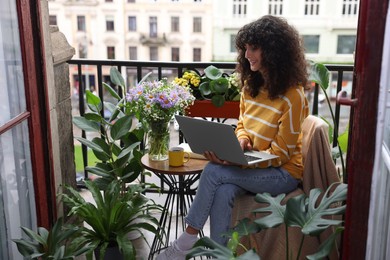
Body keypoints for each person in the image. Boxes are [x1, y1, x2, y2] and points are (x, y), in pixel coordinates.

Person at [156, 15, 309, 260]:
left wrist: (238, 162)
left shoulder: (293, 96)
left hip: (283, 174)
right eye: (245, 48)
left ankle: (185, 243)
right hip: (253, 161)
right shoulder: (251, 87)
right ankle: (221, 256)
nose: (248, 54)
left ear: (274, 51)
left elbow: (282, 155)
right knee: (224, 188)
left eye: (254, 48)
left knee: (215, 172)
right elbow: (242, 125)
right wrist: (241, 143)